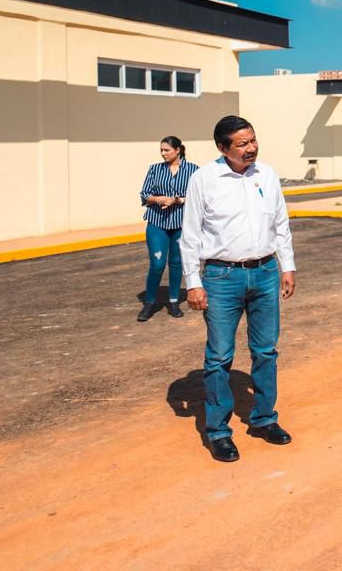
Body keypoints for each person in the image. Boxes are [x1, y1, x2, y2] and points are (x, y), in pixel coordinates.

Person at [180, 116, 297, 463]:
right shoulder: (204, 179)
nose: (251, 148)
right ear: (222, 148)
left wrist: (287, 266)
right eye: (242, 144)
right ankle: (218, 431)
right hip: (221, 278)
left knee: (266, 351)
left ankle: (264, 418)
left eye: (253, 140)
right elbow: (190, 234)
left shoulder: (267, 175)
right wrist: (193, 282)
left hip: (265, 272)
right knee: (219, 356)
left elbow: (280, 223)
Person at [137, 136, 198, 322]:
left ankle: (173, 302)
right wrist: (159, 199)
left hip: (180, 224)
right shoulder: (155, 169)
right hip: (157, 223)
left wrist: (180, 200)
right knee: (157, 264)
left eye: (167, 150)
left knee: (176, 262)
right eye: (161, 150)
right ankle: (149, 303)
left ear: (177, 150)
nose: (163, 153)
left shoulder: (193, 170)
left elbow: (199, 196)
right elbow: (144, 194)